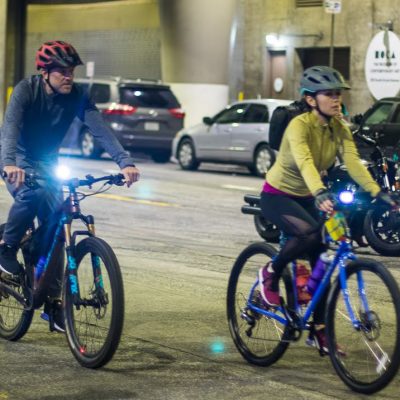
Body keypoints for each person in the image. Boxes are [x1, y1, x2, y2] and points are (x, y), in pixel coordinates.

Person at [0, 40, 140, 332]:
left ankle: (53, 302)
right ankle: (7, 247)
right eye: (62, 72)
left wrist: (124, 162)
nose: (68, 77)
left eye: (71, 72)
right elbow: (10, 128)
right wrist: (9, 163)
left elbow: (99, 129)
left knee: (57, 230)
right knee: (32, 193)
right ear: (45, 72)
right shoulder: (27, 90)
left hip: (49, 161)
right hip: (21, 159)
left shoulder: (77, 95)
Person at [257, 65, 395, 354]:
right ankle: (271, 271)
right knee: (308, 234)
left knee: (323, 259)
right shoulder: (299, 126)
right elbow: (305, 161)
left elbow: (354, 162)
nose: (336, 100)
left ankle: (319, 333)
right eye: (329, 95)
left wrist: (378, 192)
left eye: (339, 94)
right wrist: (319, 192)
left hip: (309, 195)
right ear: (311, 99)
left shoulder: (339, 128)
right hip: (278, 194)